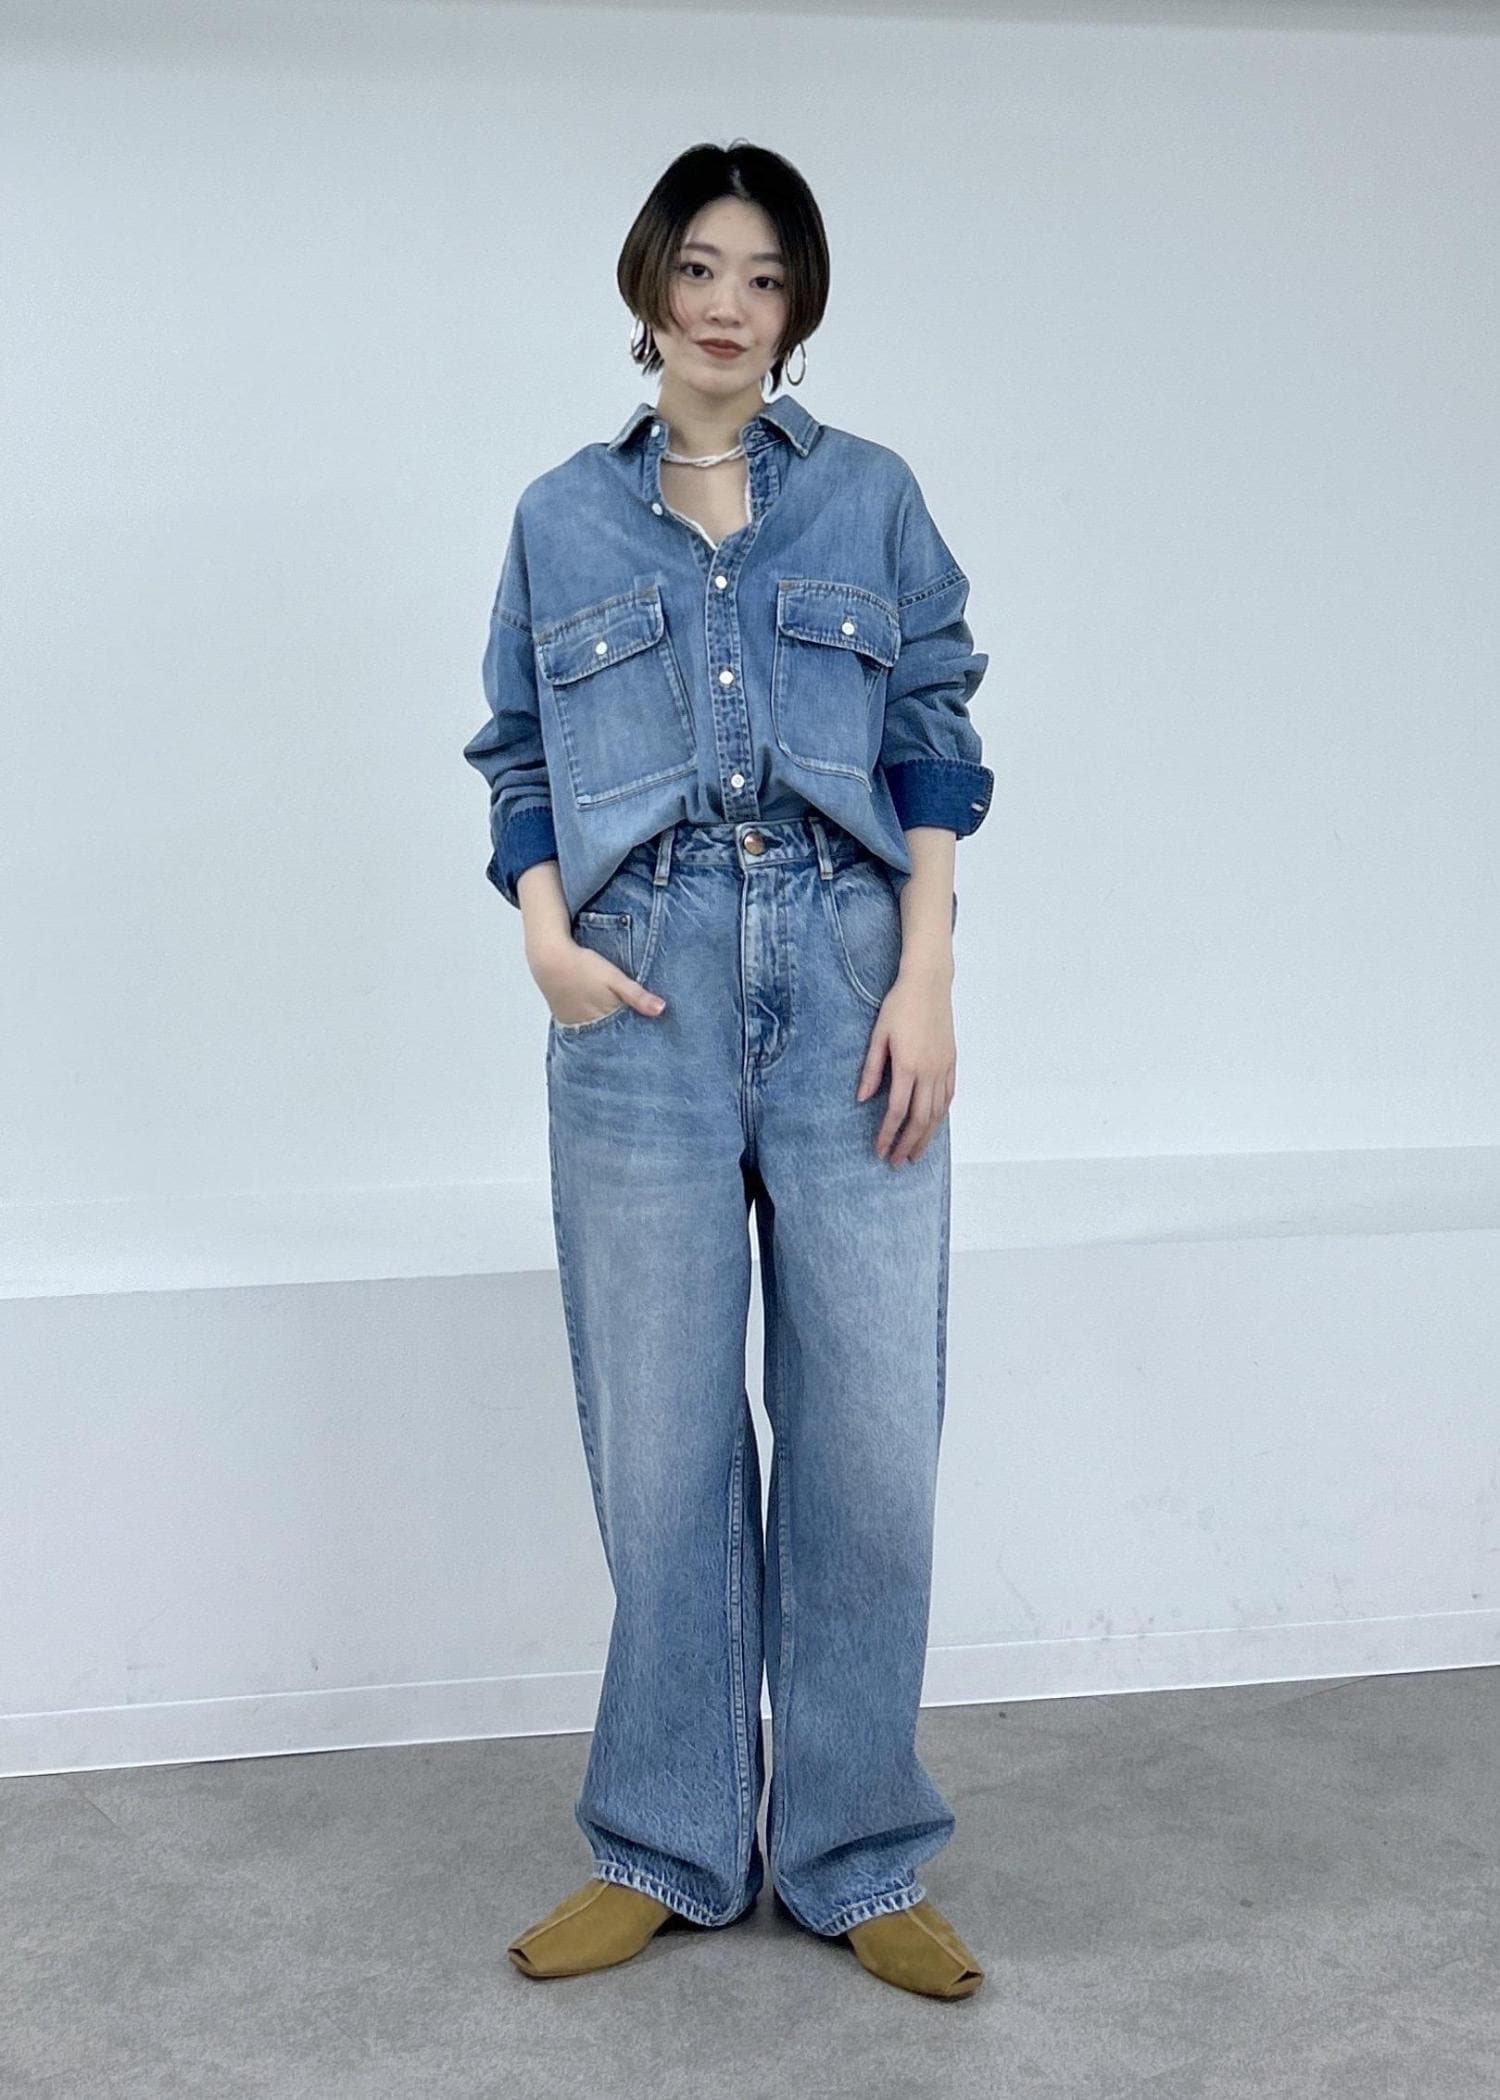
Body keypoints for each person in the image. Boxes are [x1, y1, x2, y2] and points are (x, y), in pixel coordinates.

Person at [463, 140, 993, 2001]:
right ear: (650, 285)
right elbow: (516, 754)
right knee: (665, 1438)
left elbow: (934, 731)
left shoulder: (869, 496)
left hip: (851, 978)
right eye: (701, 266)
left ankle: (856, 1856)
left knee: (871, 1439)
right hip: (642, 989)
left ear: (797, 307)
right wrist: (549, 943)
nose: (728, 304)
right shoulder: (562, 517)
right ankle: (668, 1843)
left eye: (765, 277)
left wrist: (926, 975)